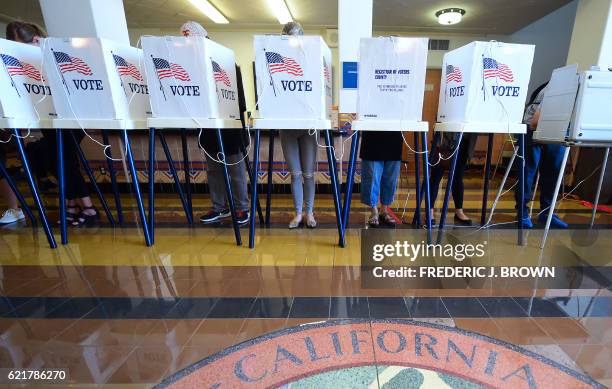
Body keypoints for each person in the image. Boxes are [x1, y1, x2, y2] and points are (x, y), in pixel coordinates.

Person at [7, 21, 99, 226]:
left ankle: (89, 208)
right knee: (61, 159)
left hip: (73, 114)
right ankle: (73, 205)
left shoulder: (52, 51)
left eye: (24, 44)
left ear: (34, 40)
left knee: (62, 159)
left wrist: (47, 49)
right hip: (46, 117)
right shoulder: (17, 59)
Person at [180, 22, 250, 225]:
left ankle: (241, 208)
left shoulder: (227, 65)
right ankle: (219, 207)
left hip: (230, 128)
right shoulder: (192, 69)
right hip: (208, 128)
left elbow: (241, 103)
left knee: (235, 171)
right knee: (214, 171)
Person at [279, 21, 318, 229]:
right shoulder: (279, 61)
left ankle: (309, 213)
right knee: (295, 173)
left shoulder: (309, 58)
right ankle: (298, 214)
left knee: (308, 173)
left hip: (308, 125)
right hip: (287, 126)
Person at [515, 82, 568, 229]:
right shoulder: (559, 86)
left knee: (553, 172)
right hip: (532, 127)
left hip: (557, 129)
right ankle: (522, 211)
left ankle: (547, 213)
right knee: (528, 173)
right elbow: (534, 122)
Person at [428, 134, 477, 226]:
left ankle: (459, 211)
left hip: (463, 138)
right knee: (435, 177)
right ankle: (429, 210)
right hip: (443, 139)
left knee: (458, 178)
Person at [360, 131, 403, 227]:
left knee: (391, 179)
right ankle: (374, 211)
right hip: (372, 137)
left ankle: (384, 210)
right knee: (371, 178)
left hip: (394, 138)